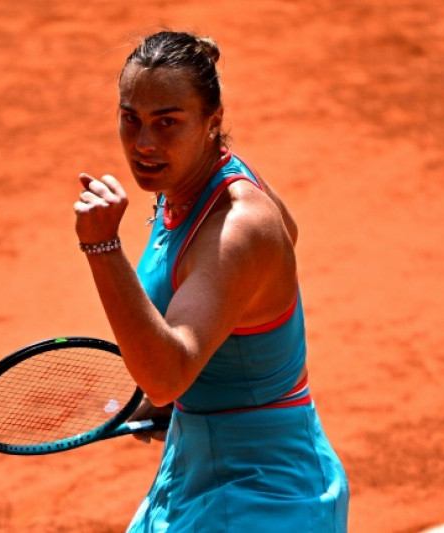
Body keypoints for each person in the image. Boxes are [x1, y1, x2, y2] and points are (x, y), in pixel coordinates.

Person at [73, 30, 349, 532]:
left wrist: (101, 247)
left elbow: (164, 377)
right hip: (193, 474)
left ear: (211, 122)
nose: (143, 144)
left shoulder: (238, 225)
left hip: (265, 495)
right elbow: (289, 231)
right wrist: (206, 395)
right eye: (130, 118)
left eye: (167, 123)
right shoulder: (191, 179)